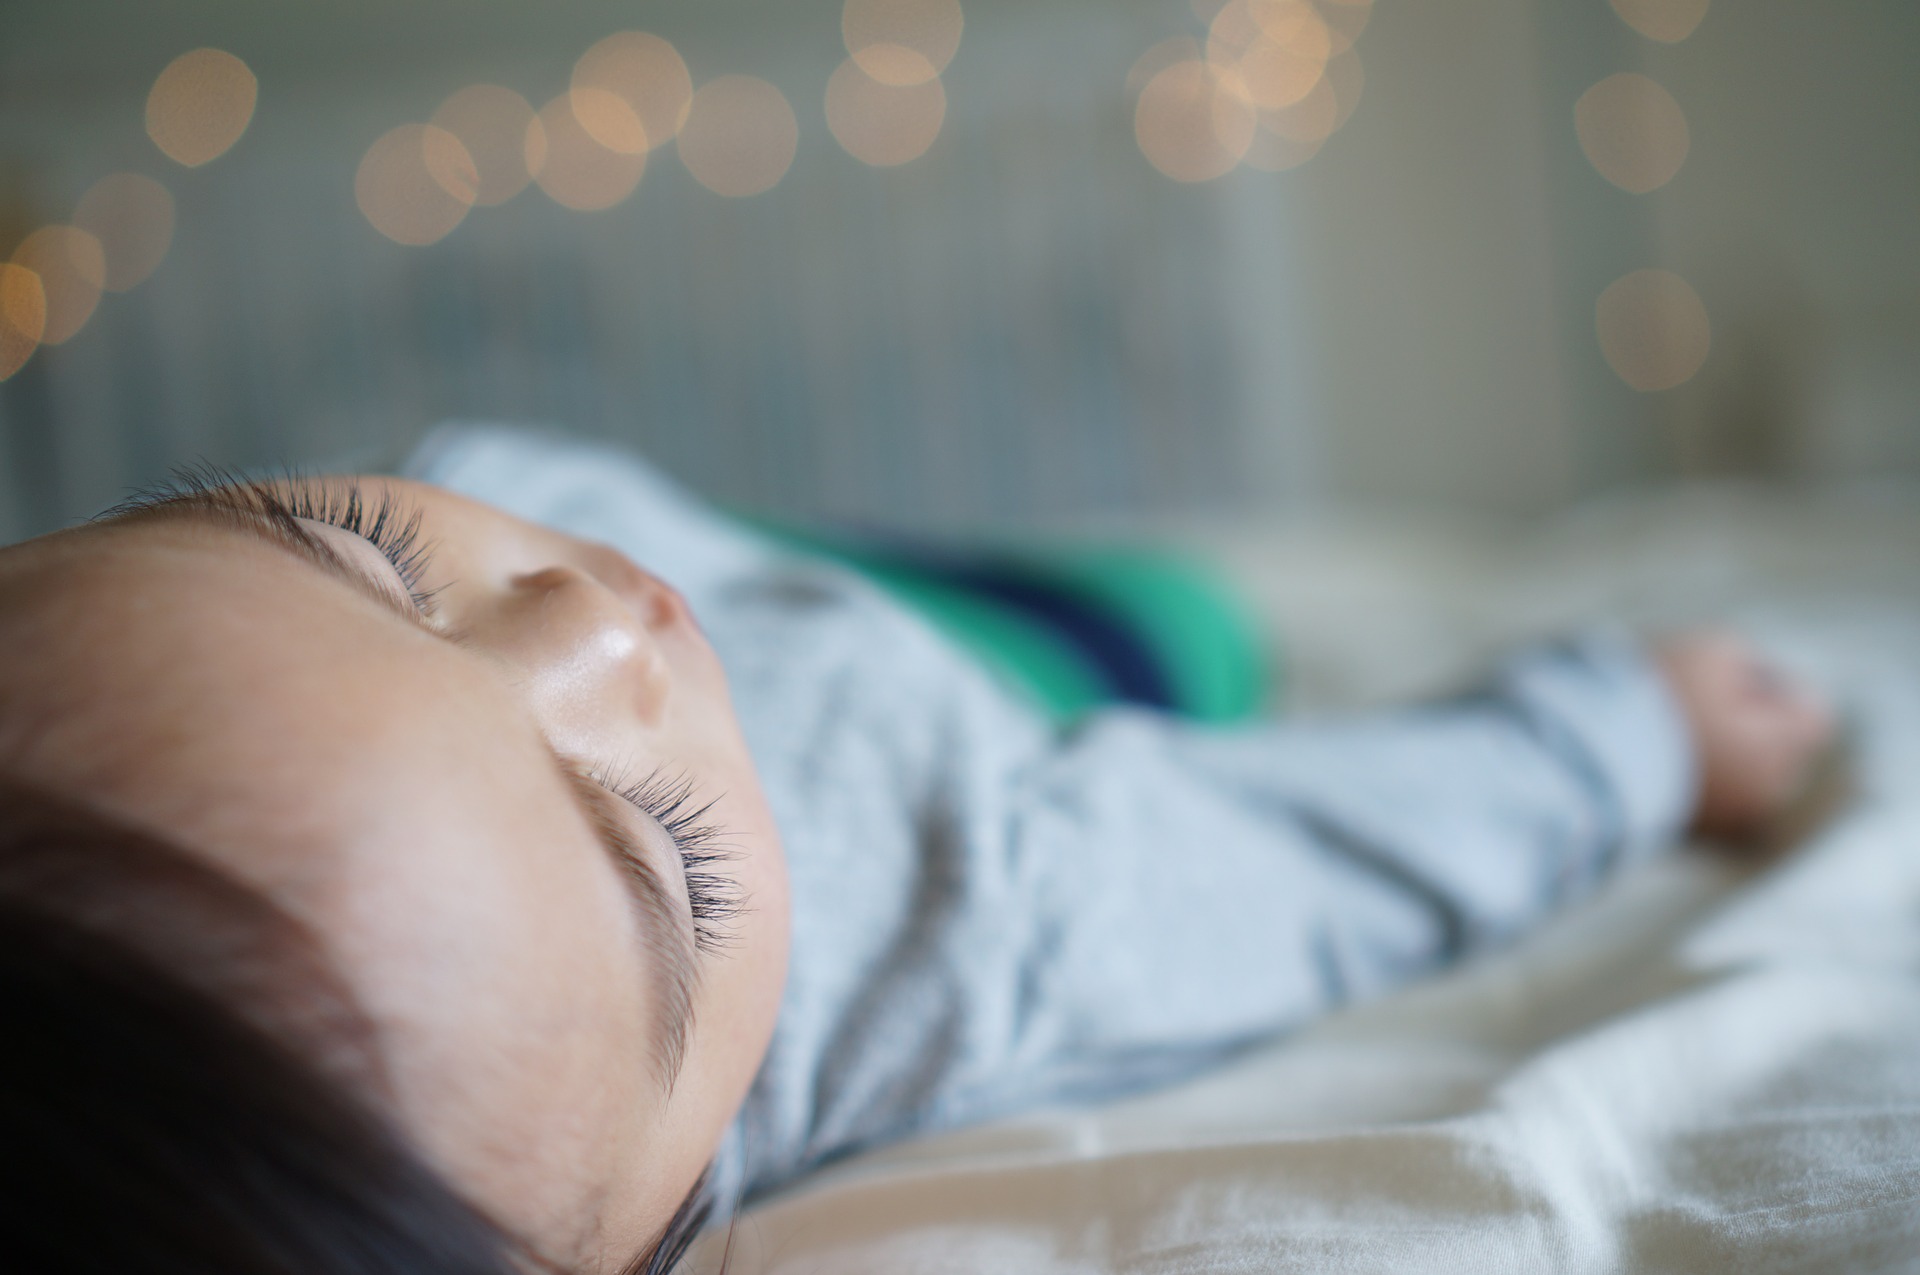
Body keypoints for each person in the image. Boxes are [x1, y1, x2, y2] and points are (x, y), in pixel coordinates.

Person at [0, 426, 1835, 1273]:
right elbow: (1293, 867)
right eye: (661, 861)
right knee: (1182, 617)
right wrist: (1629, 736)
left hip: (787, 551)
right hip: (1024, 671)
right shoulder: (954, 918)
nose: (600, 629)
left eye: (340, 547)